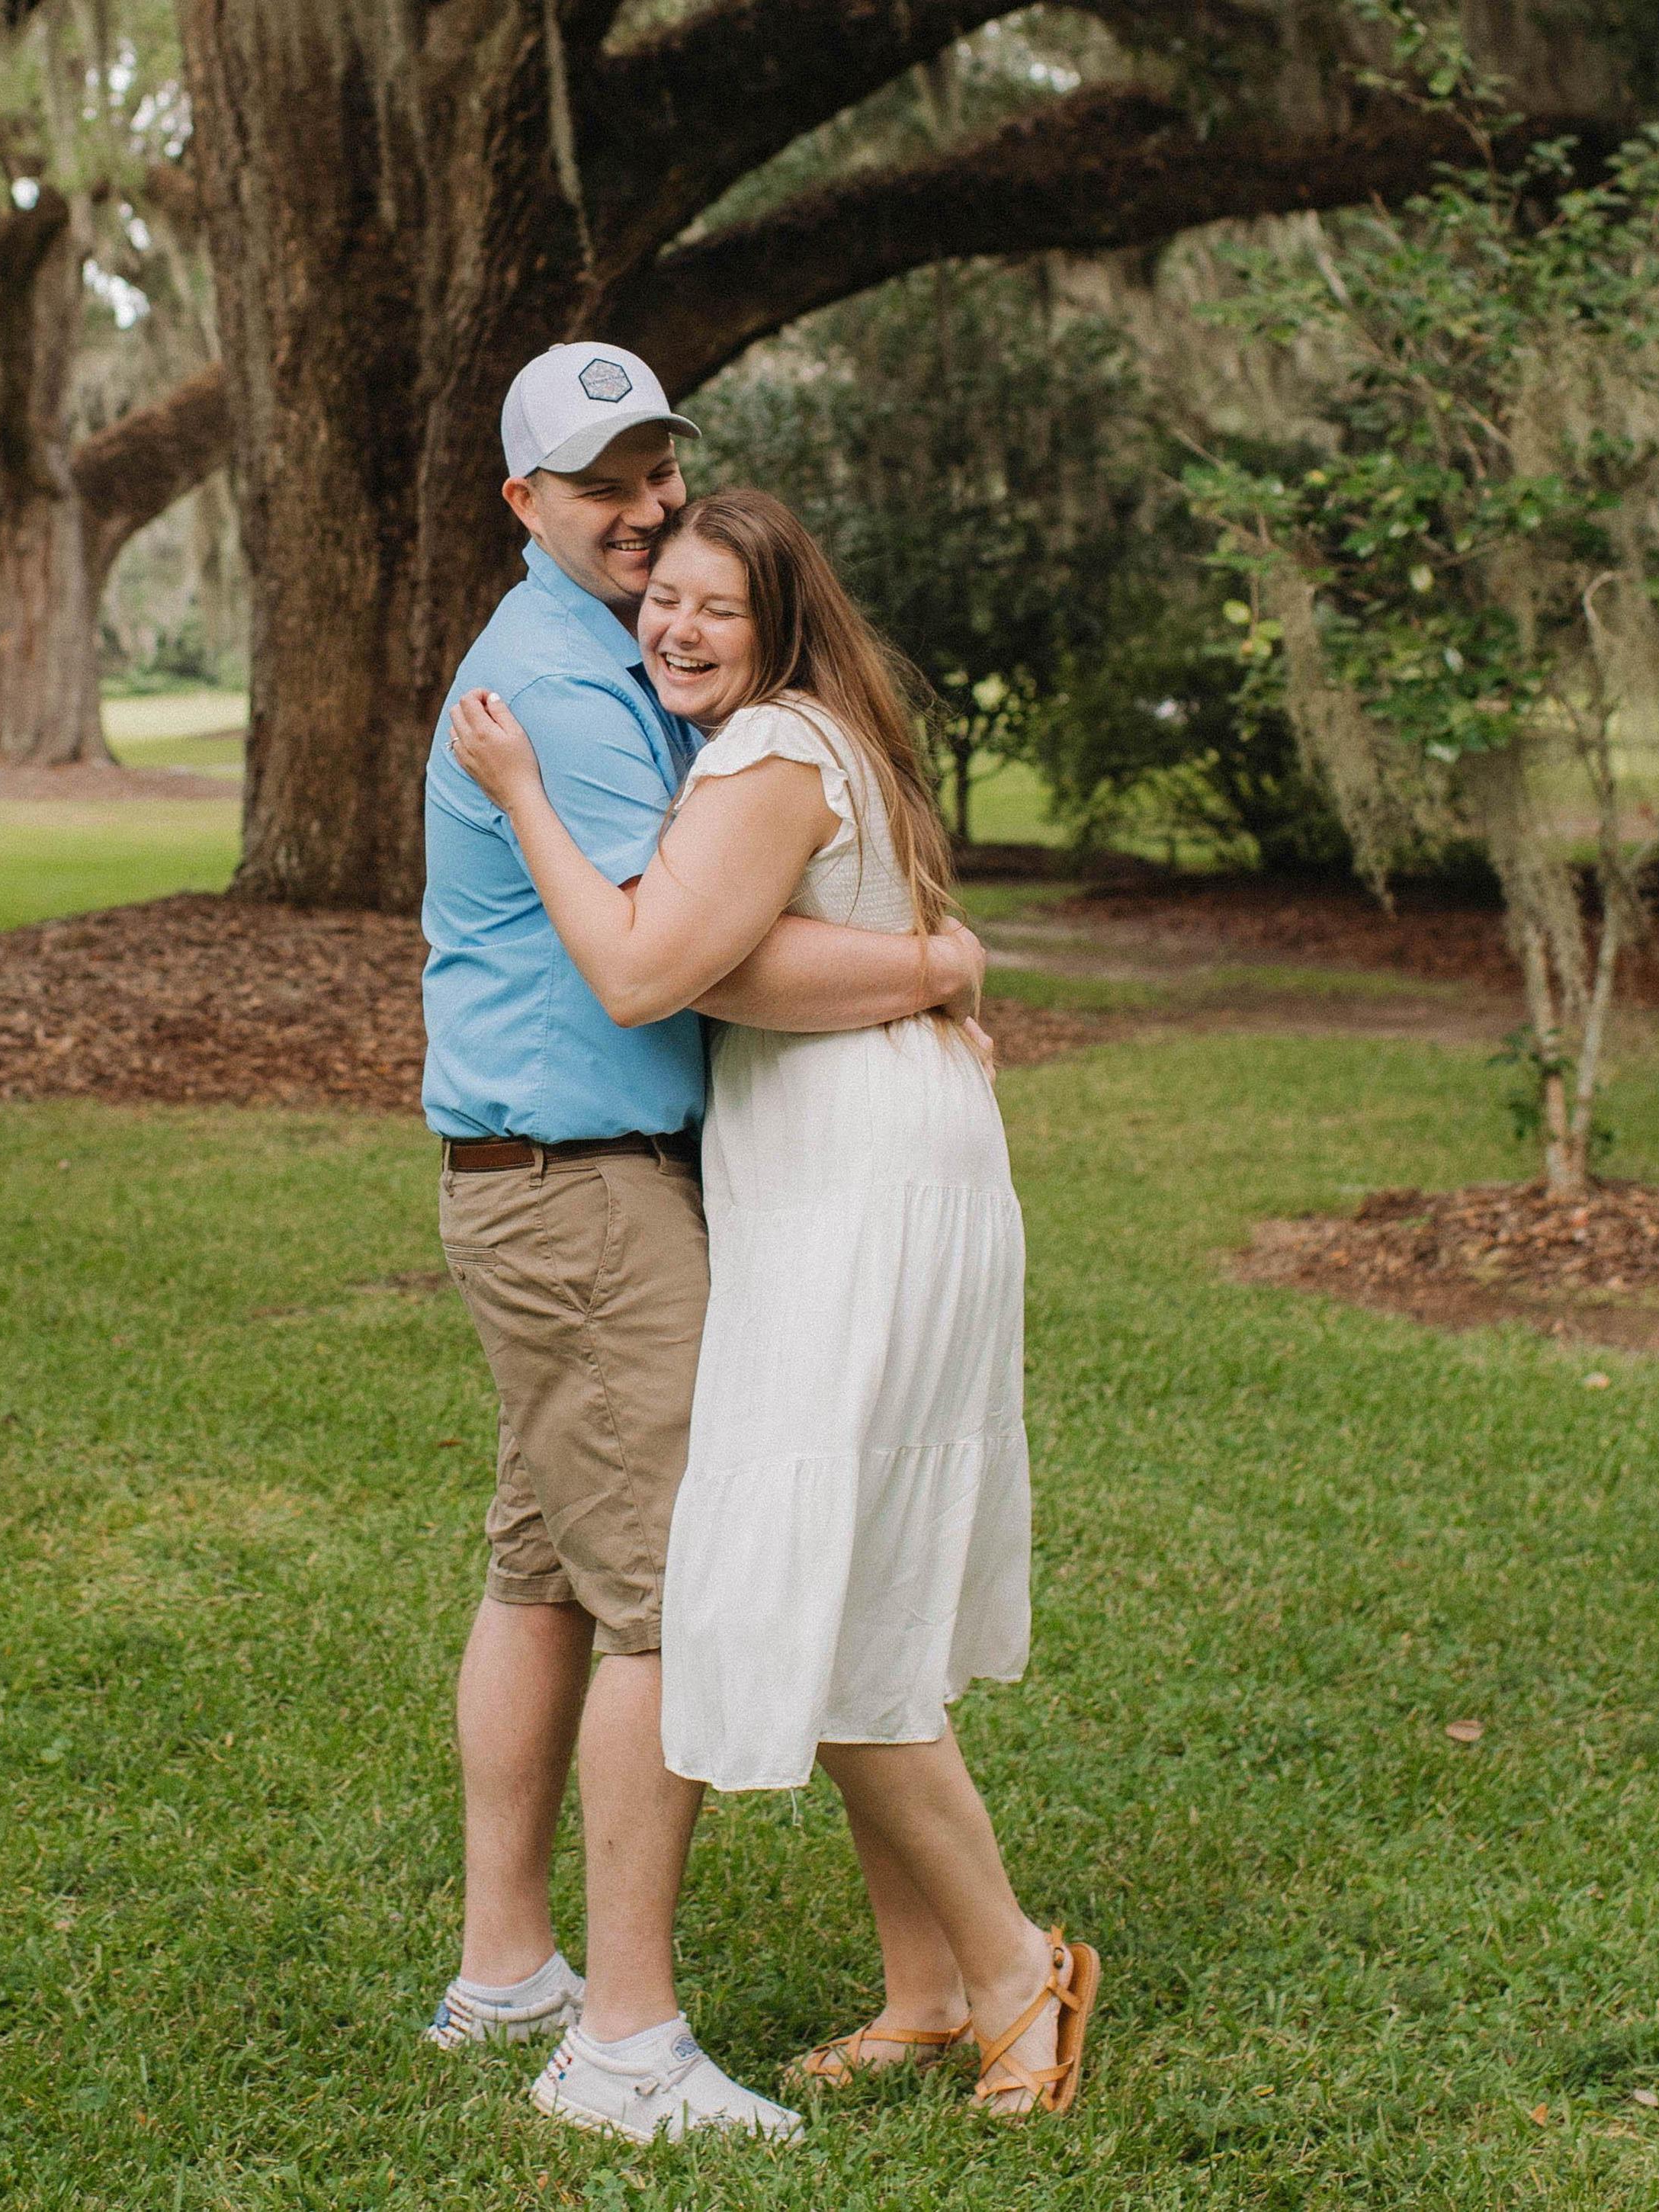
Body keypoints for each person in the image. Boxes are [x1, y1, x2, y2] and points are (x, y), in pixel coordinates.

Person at [447, 486, 1102, 2122]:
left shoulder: (759, 752)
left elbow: (650, 968)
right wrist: (935, 963)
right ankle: (927, 1988)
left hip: (848, 1181)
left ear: (778, 624)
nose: (674, 626)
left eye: (713, 606)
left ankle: (1014, 1964)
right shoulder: (811, 737)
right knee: (854, 1574)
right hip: (873, 1157)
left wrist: (522, 796)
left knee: (812, 1579)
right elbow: (740, 962)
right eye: (660, 598)